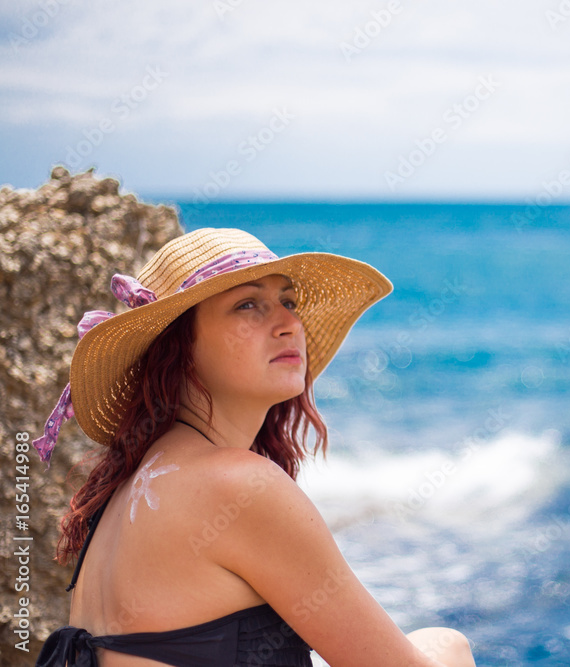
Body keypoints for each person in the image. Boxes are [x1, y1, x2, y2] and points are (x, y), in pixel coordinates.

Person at [33, 228, 477, 667]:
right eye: (248, 305)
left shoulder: (124, 491)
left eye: (288, 302)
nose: (288, 324)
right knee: (446, 645)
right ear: (178, 346)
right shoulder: (237, 485)